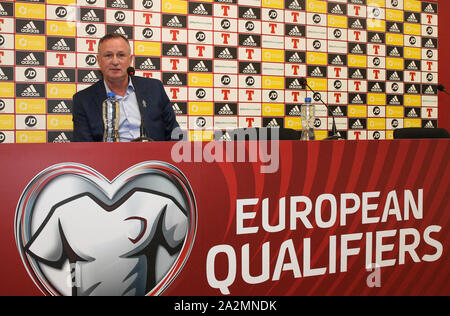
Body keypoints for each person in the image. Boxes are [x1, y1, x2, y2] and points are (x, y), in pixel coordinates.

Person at [72, 33, 179, 142]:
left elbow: (175, 133)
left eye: (121, 55)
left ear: (130, 60)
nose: (115, 62)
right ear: (99, 60)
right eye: (108, 55)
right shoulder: (83, 100)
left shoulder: (154, 89)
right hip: (109, 158)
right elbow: (83, 148)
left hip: (153, 157)